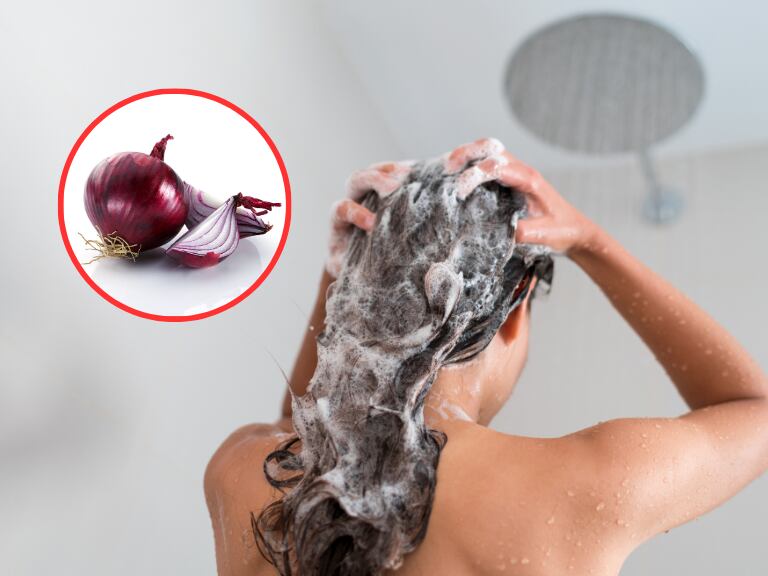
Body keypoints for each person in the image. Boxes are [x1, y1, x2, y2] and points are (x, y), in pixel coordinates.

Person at [204, 139, 768, 576]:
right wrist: (594, 242)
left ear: (357, 301)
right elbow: (754, 408)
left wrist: (344, 273)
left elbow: (301, 423)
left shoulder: (242, 474)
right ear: (516, 311)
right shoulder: (587, 485)